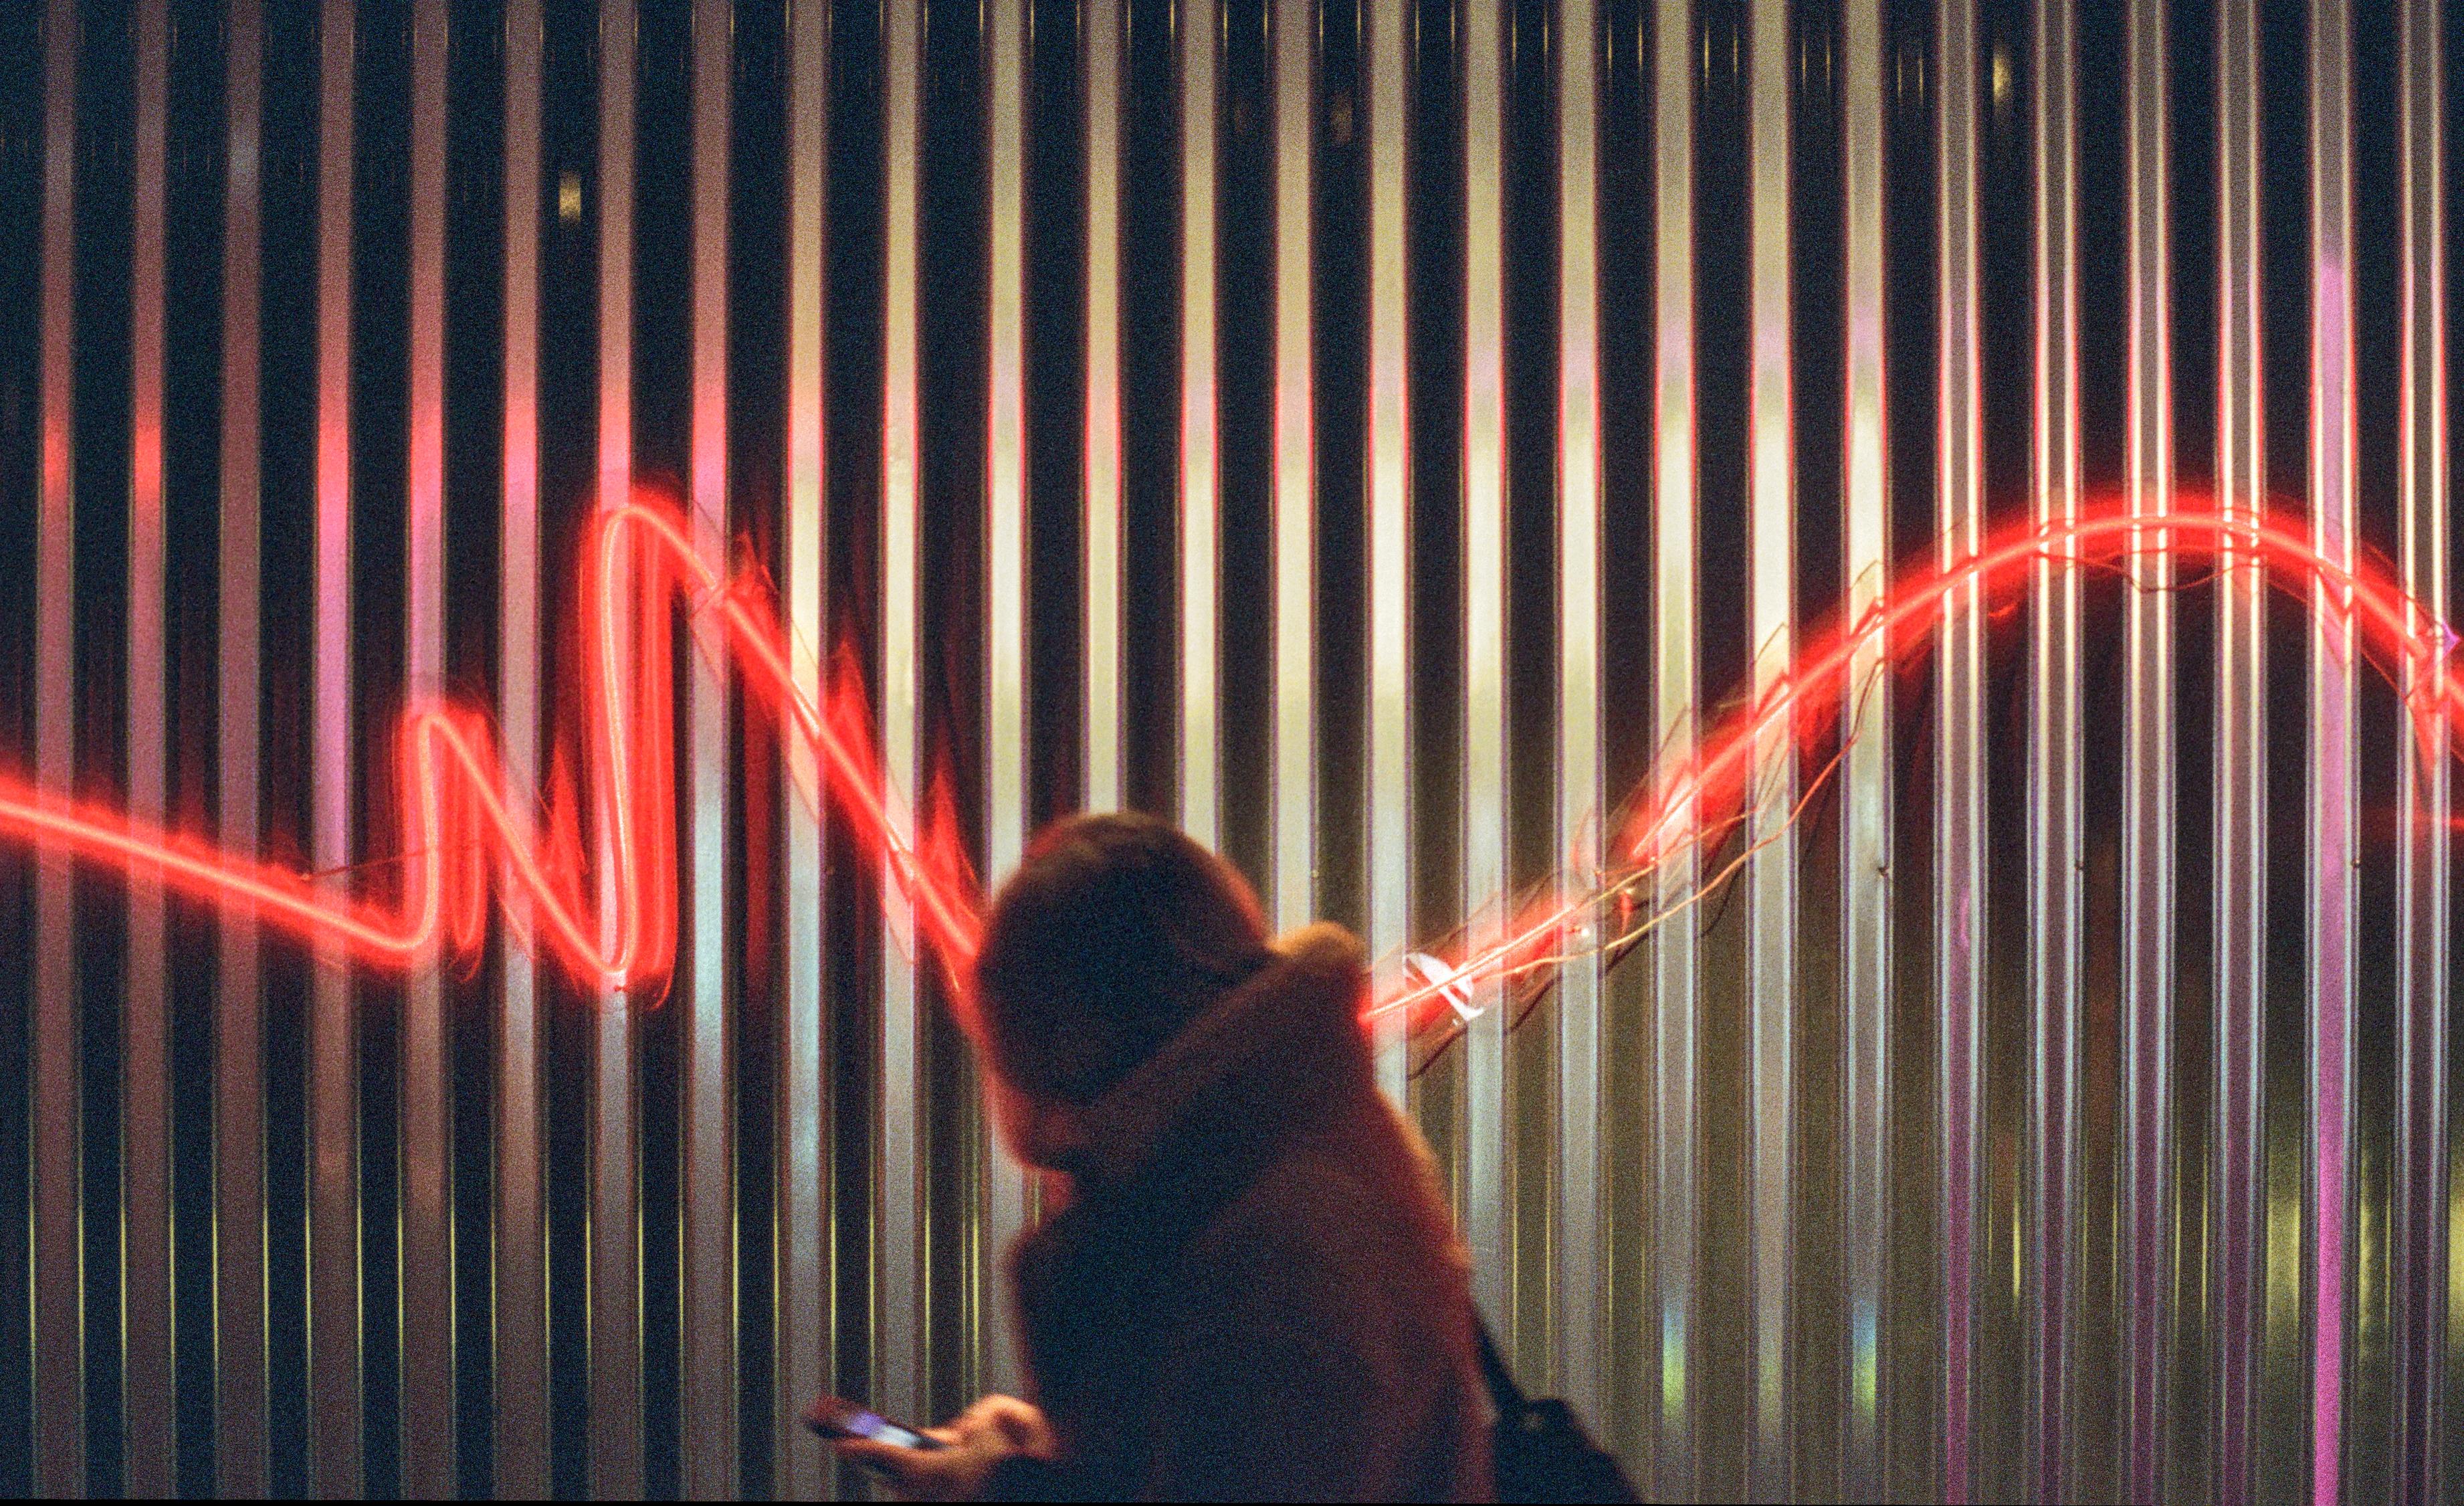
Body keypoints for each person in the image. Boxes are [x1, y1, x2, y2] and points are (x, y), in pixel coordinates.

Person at [835, 812, 1492, 1502]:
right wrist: (1063, 1450)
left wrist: (1004, 1489)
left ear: (1046, 1044)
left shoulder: (1262, 1262)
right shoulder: (1279, 1163)